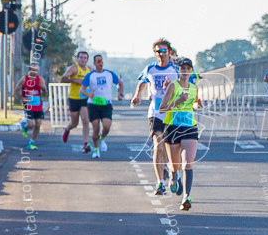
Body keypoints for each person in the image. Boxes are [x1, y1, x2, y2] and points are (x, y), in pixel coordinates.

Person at [131, 40, 189, 194]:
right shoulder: (150, 68)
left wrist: (172, 87)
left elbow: (189, 84)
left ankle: (174, 173)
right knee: (159, 145)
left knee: (174, 149)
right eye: (157, 51)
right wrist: (137, 95)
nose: (160, 54)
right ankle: (160, 183)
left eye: (163, 51)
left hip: (174, 112)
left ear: (169, 52)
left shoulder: (176, 69)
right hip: (156, 113)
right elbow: (143, 82)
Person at [158, 57, 201, 211]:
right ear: (179, 70)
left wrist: (198, 104)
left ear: (191, 71)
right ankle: (173, 174)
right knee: (175, 165)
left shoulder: (194, 87)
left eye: (188, 68)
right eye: (182, 68)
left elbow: (195, 102)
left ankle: (186, 197)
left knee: (188, 162)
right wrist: (178, 101)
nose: (185, 71)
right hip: (172, 128)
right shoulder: (173, 87)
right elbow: (162, 108)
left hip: (190, 127)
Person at [80, 55, 124, 159]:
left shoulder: (109, 74)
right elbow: (82, 90)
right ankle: (96, 149)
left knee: (107, 126)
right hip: (93, 104)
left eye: (102, 61)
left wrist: (120, 94)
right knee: (95, 128)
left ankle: (102, 138)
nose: (100, 63)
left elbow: (120, 83)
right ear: (94, 63)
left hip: (106, 104)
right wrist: (88, 94)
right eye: (98, 61)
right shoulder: (90, 75)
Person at [60, 50, 92, 152]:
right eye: (81, 57)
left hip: (84, 98)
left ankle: (86, 143)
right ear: (77, 59)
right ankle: (67, 129)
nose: (83, 60)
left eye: (85, 58)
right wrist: (74, 80)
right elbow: (62, 79)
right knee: (74, 123)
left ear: (87, 60)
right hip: (74, 98)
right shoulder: (73, 69)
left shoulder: (90, 70)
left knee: (85, 120)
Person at [13, 64, 48, 150]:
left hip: (38, 104)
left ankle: (31, 142)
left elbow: (45, 94)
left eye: (36, 71)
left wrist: (44, 89)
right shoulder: (24, 79)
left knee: (38, 124)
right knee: (32, 124)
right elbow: (16, 90)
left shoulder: (40, 79)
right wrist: (22, 99)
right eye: (33, 70)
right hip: (28, 105)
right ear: (29, 70)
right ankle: (25, 125)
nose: (35, 73)